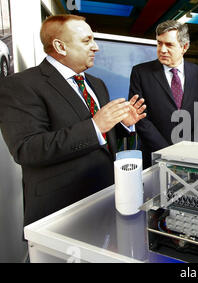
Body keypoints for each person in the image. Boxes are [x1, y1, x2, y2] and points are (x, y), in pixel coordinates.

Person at [0, 15, 146, 226]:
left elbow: (103, 140)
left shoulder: (97, 84)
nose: (95, 47)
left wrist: (123, 124)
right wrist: (95, 126)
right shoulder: (20, 85)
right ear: (60, 46)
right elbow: (27, 149)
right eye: (86, 41)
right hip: (60, 210)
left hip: (106, 198)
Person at [129, 20, 198, 169]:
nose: (162, 50)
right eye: (159, 43)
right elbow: (141, 118)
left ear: (184, 47)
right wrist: (166, 152)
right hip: (155, 156)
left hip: (191, 155)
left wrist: (189, 145)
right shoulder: (140, 73)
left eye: (169, 45)